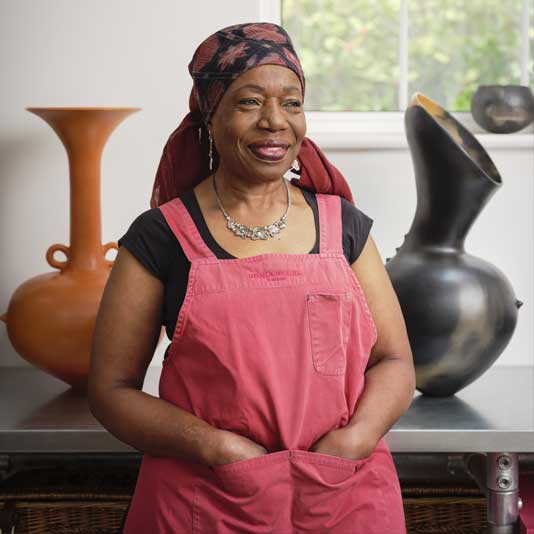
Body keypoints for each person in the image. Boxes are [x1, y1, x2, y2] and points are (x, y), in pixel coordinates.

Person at [88, 22, 416, 534]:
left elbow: (394, 360)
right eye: (249, 102)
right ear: (210, 115)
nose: (275, 122)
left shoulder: (343, 226)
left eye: (292, 102)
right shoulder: (162, 236)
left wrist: (357, 437)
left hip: (342, 499)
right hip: (207, 502)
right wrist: (212, 445)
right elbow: (111, 388)